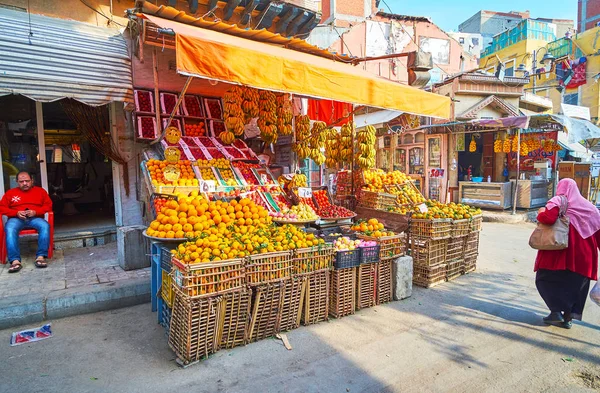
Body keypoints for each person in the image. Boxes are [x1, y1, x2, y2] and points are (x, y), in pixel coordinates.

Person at [534, 178, 600, 329]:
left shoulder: (558, 200)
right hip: (584, 257)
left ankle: (555, 312)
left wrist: (541, 213)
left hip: (558, 253)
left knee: (545, 279)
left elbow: (549, 218)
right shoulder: (590, 208)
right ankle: (568, 318)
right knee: (575, 286)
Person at [0, 171, 53, 273]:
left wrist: (36, 212)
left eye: (27, 181)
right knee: (10, 229)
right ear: (17, 182)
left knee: (45, 226)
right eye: (21, 181)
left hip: (35, 218)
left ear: (32, 181)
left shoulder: (40, 191)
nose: (25, 183)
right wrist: (16, 213)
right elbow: (1, 208)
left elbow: (48, 206)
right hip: (16, 219)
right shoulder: (10, 193)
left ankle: (41, 257)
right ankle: (15, 261)